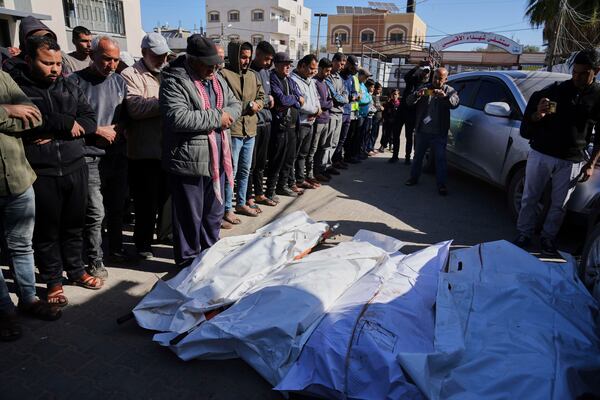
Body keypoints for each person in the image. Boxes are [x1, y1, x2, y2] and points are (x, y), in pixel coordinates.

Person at [13, 36, 102, 306]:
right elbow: (28, 121)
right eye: (46, 63)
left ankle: (76, 271)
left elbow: (89, 120)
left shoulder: (69, 84)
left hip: (76, 165)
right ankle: (53, 280)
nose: (54, 69)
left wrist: (58, 129)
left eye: (57, 63)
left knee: (74, 225)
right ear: (29, 60)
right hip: (42, 170)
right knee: (47, 230)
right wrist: (64, 124)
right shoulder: (16, 87)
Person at [160, 35, 241, 268]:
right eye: (208, 63)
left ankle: (209, 260)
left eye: (216, 63)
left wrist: (228, 115)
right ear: (192, 59)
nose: (213, 68)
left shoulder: (217, 78)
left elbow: (235, 104)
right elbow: (178, 117)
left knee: (213, 215)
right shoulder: (174, 79)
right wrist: (218, 117)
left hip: (217, 160)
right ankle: (187, 266)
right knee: (189, 219)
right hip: (188, 161)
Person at [514, 49, 600, 256]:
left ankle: (547, 238)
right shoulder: (554, 91)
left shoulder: (598, 97)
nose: (577, 77)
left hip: (571, 160)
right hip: (541, 153)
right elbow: (528, 126)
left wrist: (590, 165)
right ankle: (524, 234)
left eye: (583, 74)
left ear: (596, 71)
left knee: (559, 205)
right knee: (530, 197)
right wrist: (537, 114)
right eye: (575, 72)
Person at [0, 70, 62, 341]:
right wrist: (6, 112)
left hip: (18, 180)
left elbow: (33, 116)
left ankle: (28, 298)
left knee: (22, 246)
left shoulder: (2, 77)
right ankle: (4, 311)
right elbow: (17, 114)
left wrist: (8, 116)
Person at [70, 36, 128, 278]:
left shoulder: (119, 82)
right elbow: (67, 120)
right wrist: (97, 130)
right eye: (106, 59)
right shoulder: (74, 82)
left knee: (117, 207)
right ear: (92, 54)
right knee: (95, 212)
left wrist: (119, 128)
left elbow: (126, 115)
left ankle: (116, 249)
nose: (111, 64)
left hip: (117, 154)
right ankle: (95, 260)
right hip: (88, 156)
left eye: (115, 60)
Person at [121, 32, 170, 259]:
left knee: (166, 199)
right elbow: (135, 108)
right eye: (157, 55)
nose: (162, 60)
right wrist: (168, 102)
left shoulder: (167, 73)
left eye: (165, 55)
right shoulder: (129, 75)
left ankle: (164, 234)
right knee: (145, 203)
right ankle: (142, 244)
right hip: (143, 152)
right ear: (143, 53)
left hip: (167, 149)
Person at [221, 41, 265, 224]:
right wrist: (244, 107)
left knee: (245, 170)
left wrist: (257, 105)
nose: (246, 61)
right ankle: (226, 208)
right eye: (242, 57)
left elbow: (261, 96)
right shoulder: (223, 75)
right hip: (234, 131)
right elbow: (222, 101)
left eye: (248, 57)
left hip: (250, 130)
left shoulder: (253, 76)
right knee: (230, 171)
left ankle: (241, 203)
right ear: (234, 56)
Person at [405, 67, 459, 196]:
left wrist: (445, 97)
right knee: (418, 157)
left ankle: (441, 185)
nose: (436, 80)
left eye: (440, 78)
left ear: (445, 79)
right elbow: (408, 101)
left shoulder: (450, 91)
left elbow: (455, 103)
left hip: (439, 133)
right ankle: (413, 178)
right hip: (422, 131)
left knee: (440, 159)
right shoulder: (425, 87)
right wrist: (417, 95)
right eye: (435, 77)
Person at [264, 52, 302, 200]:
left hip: (292, 125)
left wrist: (292, 99)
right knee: (276, 159)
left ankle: (283, 185)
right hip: (279, 126)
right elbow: (281, 99)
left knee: (289, 159)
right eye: (285, 64)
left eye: (289, 64)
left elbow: (300, 101)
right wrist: (292, 100)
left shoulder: (290, 80)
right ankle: (271, 190)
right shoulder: (273, 78)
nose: (288, 67)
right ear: (277, 64)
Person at [249, 41, 276, 208]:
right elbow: (253, 99)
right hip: (254, 124)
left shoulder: (266, 72)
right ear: (257, 54)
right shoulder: (250, 71)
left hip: (267, 122)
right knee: (250, 165)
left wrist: (267, 99)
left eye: (270, 59)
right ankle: (248, 197)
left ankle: (259, 193)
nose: (268, 62)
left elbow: (269, 95)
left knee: (261, 163)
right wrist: (267, 100)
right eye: (266, 58)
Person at [290, 54, 320, 191]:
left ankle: (300, 179)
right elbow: (299, 103)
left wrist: (318, 109)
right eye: (311, 68)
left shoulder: (311, 80)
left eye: (316, 69)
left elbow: (315, 97)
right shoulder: (293, 80)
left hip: (310, 122)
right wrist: (314, 110)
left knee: (303, 153)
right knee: (294, 154)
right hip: (300, 122)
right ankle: (291, 181)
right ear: (302, 66)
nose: (314, 72)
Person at [391, 62, 431, 164]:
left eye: (427, 72)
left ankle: (407, 157)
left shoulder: (427, 85)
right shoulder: (413, 80)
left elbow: (432, 88)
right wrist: (418, 66)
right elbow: (407, 76)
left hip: (412, 113)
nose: (425, 73)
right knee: (396, 134)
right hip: (402, 111)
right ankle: (395, 155)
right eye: (424, 71)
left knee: (409, 136)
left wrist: (432, 67)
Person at [309, 57, 333, 184]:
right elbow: (321, 103)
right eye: (327, 71)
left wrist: (327, 104)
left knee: (322, 148)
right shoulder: (314, 82)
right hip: (318, 120)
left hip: (326, 119)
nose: (328, 73)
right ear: (320, 69)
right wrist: (328, 104)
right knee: (313, 148)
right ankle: (310, 174)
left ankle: (318, 171)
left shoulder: (325, 83)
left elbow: (330, 101)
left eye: (330, 71)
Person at [326, 53, 349, 173]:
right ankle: (323, 167)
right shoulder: (328, 77)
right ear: (334, 61)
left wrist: (343, 98)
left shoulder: (340, 78)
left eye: (343, 65)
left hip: (340, 113)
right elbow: (335, 96)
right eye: (340, 64)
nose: (341, 67)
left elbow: (346, 94)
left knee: (334, 142)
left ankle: (329, 164)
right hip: (331, 113)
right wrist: (343, 98)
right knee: (327, 143)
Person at [337, 55, 360, 164]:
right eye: (352, 68)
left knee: (343, 138)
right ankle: (334, 160)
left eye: (355, 70)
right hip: (340, 112)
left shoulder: (351, 78)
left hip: (348, 112)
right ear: (347, 64)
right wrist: (349, 97)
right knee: (336, 139)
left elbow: (354, 91)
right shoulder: (339, 76)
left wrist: (355, 95)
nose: (353, 71)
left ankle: (339, 159)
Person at [367, 82, 384, 155]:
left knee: (376, 134)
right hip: (374, 117)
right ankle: (369, 148)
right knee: (372, 133)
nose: (379, 91)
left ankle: (372, 147)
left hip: (379, 118)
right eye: (378, 89)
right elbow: (373, 106)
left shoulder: (378, 96)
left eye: (380, 89)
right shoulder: (372, 97)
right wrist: (380, 108)